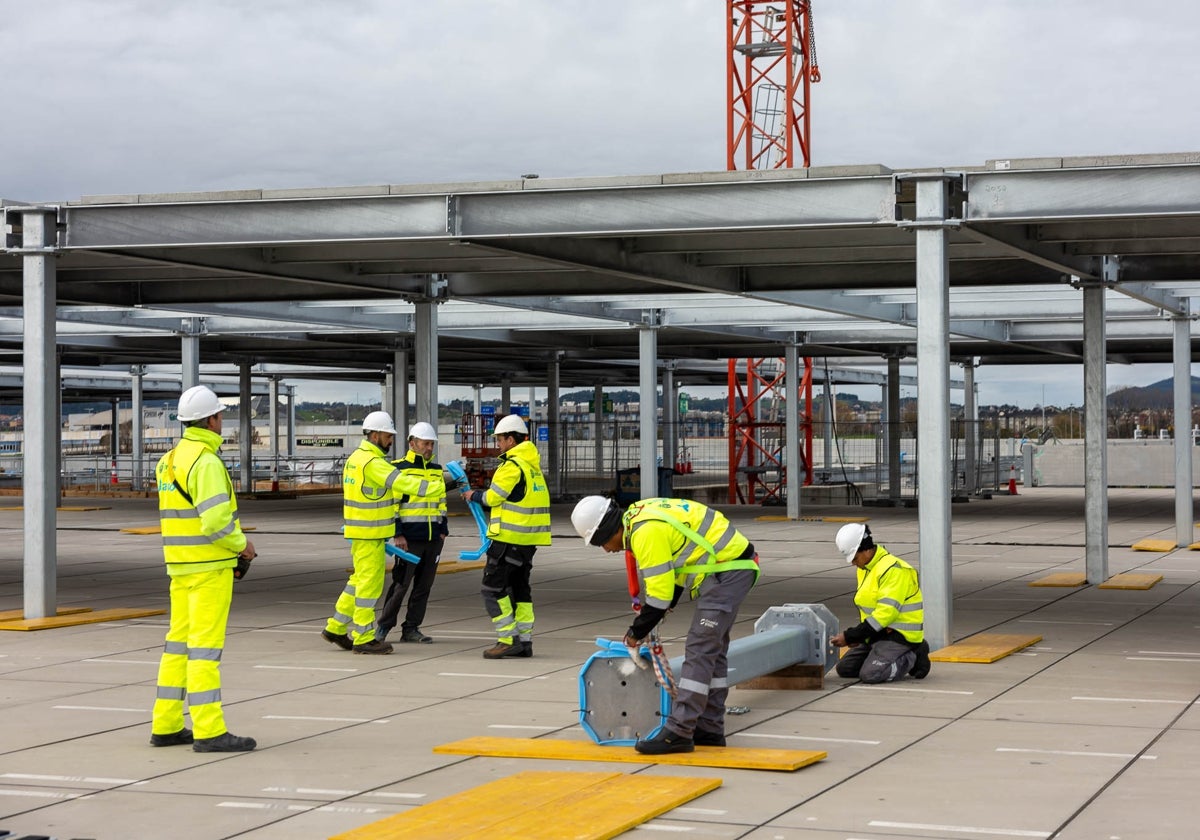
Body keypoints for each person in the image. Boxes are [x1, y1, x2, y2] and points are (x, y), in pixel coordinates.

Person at [571, 495, 760, 755]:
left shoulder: (645, 533)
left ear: (606, 529)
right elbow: (675, 573)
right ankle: (709, 728)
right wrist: (655, 615)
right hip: (730, 568)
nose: (606, 549)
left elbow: (658, 599)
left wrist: (636, 633)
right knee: (712, 654)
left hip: (727, 571)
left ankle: (679, 731)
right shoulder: (640, 515)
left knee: (699, 648)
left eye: (601, 542)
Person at [150, 384, 257, 753]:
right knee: (205, 650)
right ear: (211, 419)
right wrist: (243, 545)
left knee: (177, 646)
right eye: (220, 416)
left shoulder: (169, 460)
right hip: (209, 569)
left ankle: (165, 725)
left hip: (179, 568)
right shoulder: (206, 462)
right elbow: (215, 522)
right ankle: (209, 730)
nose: (221, 421)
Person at [323, 411, 445, 654]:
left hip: (362, 531)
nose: (391, 441)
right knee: (369, 586)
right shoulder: (373, 462)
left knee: (357, 582)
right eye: (388, 436)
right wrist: (441, 485)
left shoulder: (356, 459)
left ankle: (336, 627)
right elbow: (403, 483)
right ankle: (364, 637)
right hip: (369, 533)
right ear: (376, 434)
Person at [459, 414, 551, 659]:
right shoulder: (532, 467)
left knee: (492, 588)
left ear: (511, 440)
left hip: (508, 540)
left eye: (499, 439)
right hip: (527, 542)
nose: (497, 444)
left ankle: (507, 638)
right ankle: (524, 641)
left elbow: (493, 498)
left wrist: (472, 495)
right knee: (520, 589)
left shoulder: (511, 465)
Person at [377, 421, 449, 643]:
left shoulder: (437, 471)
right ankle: (383, 628)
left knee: (424, 587)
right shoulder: (398, 469)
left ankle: (411, 628)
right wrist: (398, 534)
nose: (429, 448)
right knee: (400, 586)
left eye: (431, 444)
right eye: (425, 444)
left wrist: (443, 529)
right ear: (412, 443)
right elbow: (393, 505)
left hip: (433, 538)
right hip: (408, 540)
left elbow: (441, 503)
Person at [830, 523, 931, 683]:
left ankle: (915, 653)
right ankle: (881, 655)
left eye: (855, 558)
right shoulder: (865, 568)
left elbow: (884, 615)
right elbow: (871, 610)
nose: (853, 563)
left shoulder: (894, 570)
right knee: (845, 669)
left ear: (867, 549)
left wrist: (850, 636)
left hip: (900, 636)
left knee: (871, 675)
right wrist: (861, 637)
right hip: (878, 634)